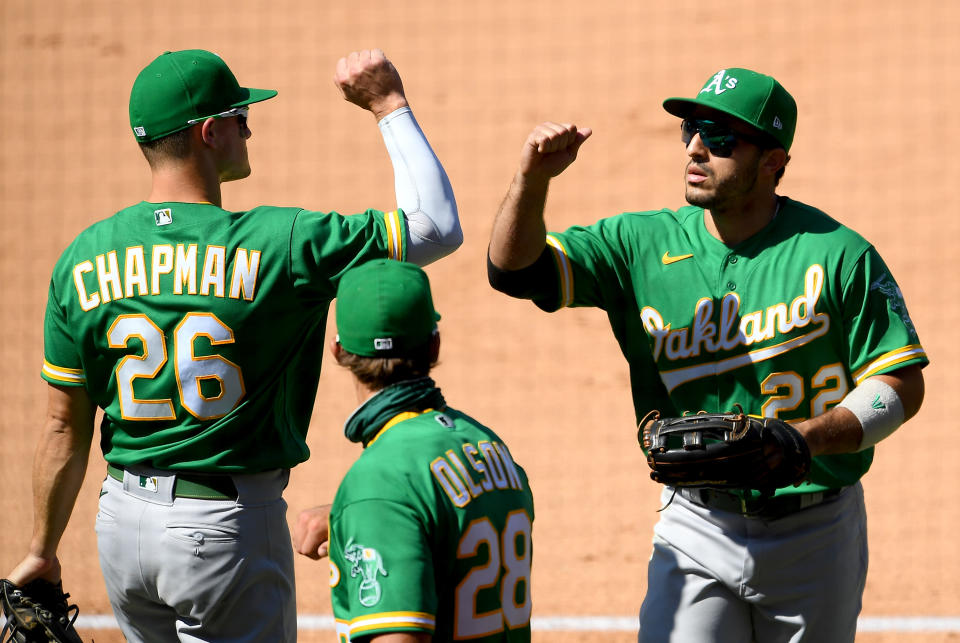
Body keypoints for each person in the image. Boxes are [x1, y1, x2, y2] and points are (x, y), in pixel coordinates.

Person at [4, 47, 461, 642]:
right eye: (240, 116)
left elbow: (63, 429)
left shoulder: (82, 258)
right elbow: (434, 226)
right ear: (210, 132)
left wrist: (42, 549)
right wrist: (388, 104)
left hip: (120, 529)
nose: (251, 127)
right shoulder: (283, 243)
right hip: (222, 532)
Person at [487, 67, 927, 642]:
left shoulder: (840, 255)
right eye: (691, 130)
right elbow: (513, 271)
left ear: (774, 161)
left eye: (721, 138)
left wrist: (803, 439)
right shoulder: (639, 244)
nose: (697, 148)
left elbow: (900, 384)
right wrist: (531, 182)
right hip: (694, 524)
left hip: (817, 530)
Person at [293, 258, 535, 642]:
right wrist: (354, 515)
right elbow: (439, 506)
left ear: (337, 351)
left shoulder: (379, 482)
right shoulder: (489, 447)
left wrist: (370, 507)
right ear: (434, 343)